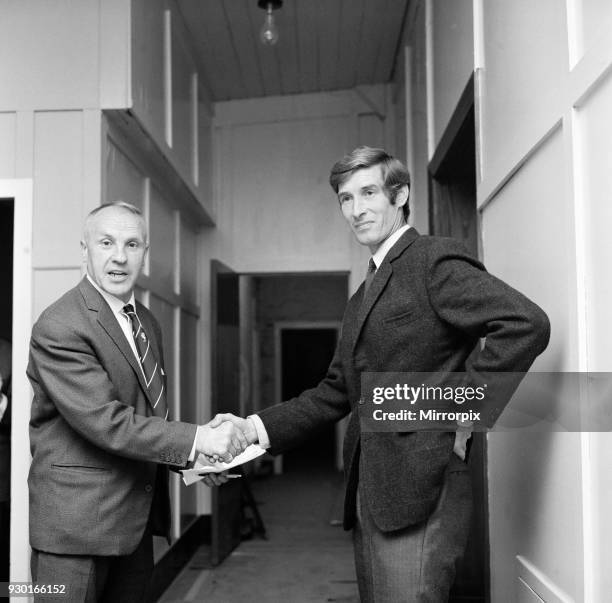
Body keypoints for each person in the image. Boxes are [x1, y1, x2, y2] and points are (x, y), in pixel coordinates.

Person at [208, 147, 550, 601]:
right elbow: (333, 393)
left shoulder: (432, 260)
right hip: (370, 491)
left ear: (401, 194)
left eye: (368, 193)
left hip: (422, 483)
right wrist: (250, 429)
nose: (356, 209)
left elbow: (526, 324)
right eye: (346, 199)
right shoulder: (362, 295)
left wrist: (463, 413)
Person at [27, 202, 247, 602]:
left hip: (135, 525)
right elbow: (106, 421)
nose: (119, 256)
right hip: (74, 534)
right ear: (84, 250)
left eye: (132, 244)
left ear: (144, 253)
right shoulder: (60, 325)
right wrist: (198, 438)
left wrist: (194, 461)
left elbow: (145, 417)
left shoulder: (144, 320)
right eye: (106, 242)